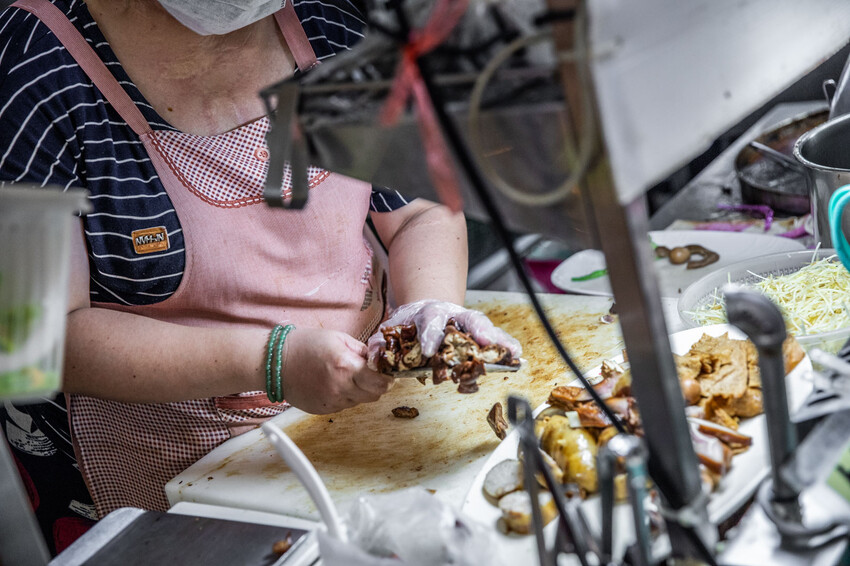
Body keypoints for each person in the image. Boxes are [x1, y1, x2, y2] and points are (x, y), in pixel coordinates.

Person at [0, 0, 521, 555]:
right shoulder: (30, 64)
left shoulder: (330, 21)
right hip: (165, 476)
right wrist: (273, 361)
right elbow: (34, 338)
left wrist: (428, 308)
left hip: (363, 432)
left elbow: (421, 211)